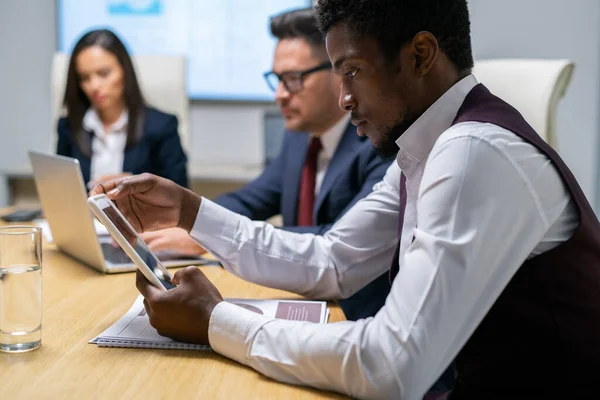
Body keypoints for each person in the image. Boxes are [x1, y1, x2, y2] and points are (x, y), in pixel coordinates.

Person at [91, 0, 600, 398]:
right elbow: (333, 261)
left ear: (420, 54)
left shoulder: (473, 152)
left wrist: (216, 322)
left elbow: (390, 365)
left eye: (351, 71)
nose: (343, 99)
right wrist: (188, 210)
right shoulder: (426, 149)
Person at [140, 8, 392, 321]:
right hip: (301, 300)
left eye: (293, 79)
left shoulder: (379, 142)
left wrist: (211, 235)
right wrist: (190, 226)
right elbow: (250, 199)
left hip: (354, 315)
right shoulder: (299, 137)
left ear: (338, 72)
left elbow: (340, 245)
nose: (280, 95)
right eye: (277, 79)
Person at [57, 29, 188, 188]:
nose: (94, 86)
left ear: (124, 70)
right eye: (85, 78)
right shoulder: (68, 128)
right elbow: (62, 190)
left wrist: (136, 184)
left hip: (138, 213)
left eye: (104, 73)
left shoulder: (162, 126)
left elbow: (181, 196)